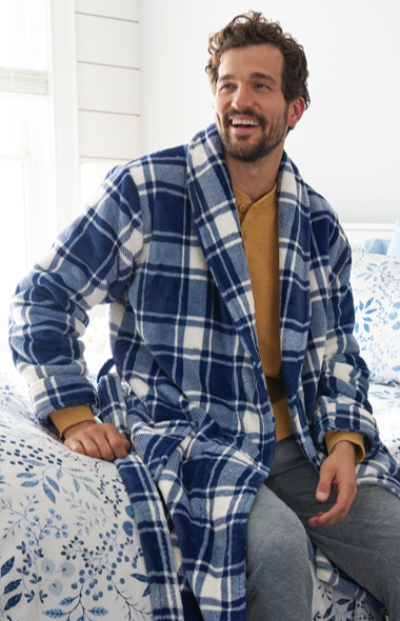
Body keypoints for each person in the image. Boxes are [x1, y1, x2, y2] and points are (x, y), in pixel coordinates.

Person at [9, 11, 400, 621]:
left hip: (294, 435)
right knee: (275, 549)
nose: (239, 100)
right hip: (189, 426)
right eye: (227, 83)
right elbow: (42, 296)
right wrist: (71, 411)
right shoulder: (146, 190)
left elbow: (341, 352)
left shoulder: (319, 225)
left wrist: (346, 443)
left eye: (261, 85)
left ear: (295, 109)